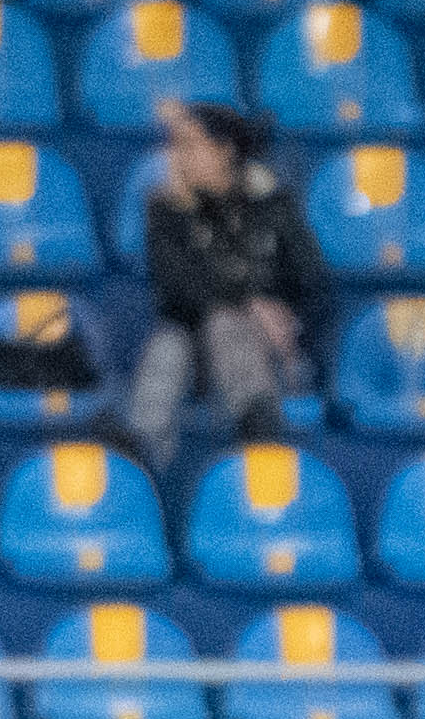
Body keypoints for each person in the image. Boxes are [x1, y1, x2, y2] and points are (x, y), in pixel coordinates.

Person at [125, 101, 329, 472]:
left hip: (268, 349)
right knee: (171, 343)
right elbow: (176, 289)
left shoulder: (272, 205)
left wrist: (283, 316)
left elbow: (310, 278)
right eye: (174, 146)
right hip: (193, 344)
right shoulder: (167, 210)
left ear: (224, 151)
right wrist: (250, 300)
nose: (177, 157)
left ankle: (260, 442)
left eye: (189, 145)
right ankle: (139, 461)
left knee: (224, 327)